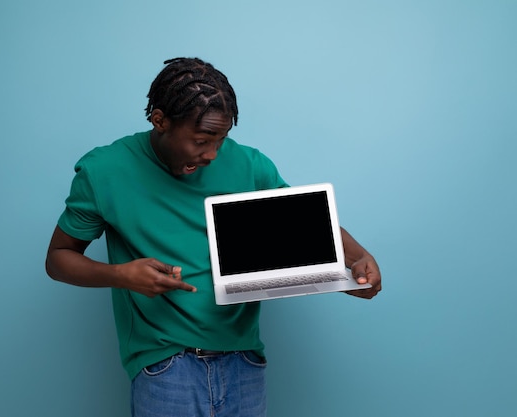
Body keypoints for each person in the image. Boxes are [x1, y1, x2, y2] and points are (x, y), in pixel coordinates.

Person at [45, 57, 382, 417]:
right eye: (201, 140)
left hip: (245, 364)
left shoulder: (250, 165)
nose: (211, 154)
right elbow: (59, 258)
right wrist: (121, 275)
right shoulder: (103, 171)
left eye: (221, 140)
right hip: (166, 365)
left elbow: (310, 225)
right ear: (159, 121)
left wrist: (358, 258)